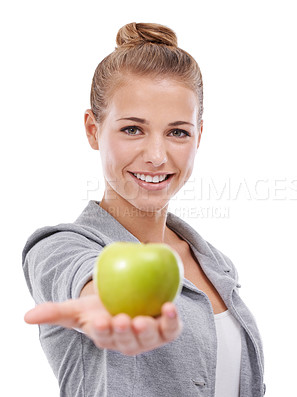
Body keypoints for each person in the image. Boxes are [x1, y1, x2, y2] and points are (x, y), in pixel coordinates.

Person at [22, 22, 265, 397]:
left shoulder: (217, 265)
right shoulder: (61, 247)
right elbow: (77, 277)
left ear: (199, 135)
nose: (156, 156)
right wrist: (103, 303)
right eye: (133, 129)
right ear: (93, 129)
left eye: (177, 132)